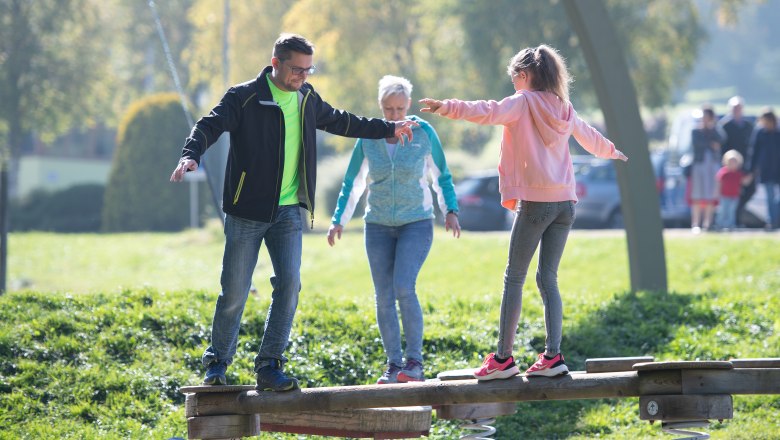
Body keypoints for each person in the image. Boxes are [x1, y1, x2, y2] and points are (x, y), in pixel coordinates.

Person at [169, 34, 417, 392]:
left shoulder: (307, 98)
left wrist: (388, 128)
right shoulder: (245, 96)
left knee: (289, 286)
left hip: (288, 212)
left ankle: (269, 365)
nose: (303, 75)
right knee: (234, 292)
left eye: (308, 69)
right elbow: (209, 125)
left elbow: (343, 122)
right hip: (246, 211)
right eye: (297, 69)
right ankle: (217, 365)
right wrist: (191, 154)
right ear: (276, 63)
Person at [419, 44, 627, 379]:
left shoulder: (523, 102)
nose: (514, 84)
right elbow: (589, 137)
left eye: (515, 77)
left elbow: (487, 110)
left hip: (536, 202)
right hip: (566, 203)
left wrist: (447, 107)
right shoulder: (563, 107)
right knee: (548, 278)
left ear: (525, 75)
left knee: (513, 277)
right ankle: (553, 357)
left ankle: (502, 359)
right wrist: (613, 152)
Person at [327, 75, 461, 384]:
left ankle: (414, 362)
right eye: (388, 109)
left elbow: (442, 175)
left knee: (404, 286)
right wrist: (338, 220)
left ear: (409, 106)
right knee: (383, 296)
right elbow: (354, 183)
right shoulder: (369, 136)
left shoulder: (424, 133)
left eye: (400, 109)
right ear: (380, 107)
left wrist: (450, 210)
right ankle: (393, 364)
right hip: (377, 226)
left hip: (416, 222)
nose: (394, 115)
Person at [719, 96, 755, 226]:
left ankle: (737, 216)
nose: (737, 110)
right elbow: (722, 147)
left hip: (744, 165)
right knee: (728, 194)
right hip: (730, 165)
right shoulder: (725, 126)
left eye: (739, 108)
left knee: (749, 189)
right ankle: (728, 221)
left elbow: (752, 146)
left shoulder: (748, 126)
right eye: (734, 108)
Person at [689, 106, 723, 233]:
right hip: (699, 164)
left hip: (712, 165)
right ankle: (695, 223)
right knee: (697, 195)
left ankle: (707, 223)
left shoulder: (715, 130)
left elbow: (722, 139)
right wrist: (711, 142)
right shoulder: (695, 131)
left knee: (710, 195)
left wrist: (712, 128)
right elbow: (698, 143)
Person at [747, 109, 780, 230]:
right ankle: (772, 221)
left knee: (776, 199)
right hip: (766, 170)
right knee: (770, 197)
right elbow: (754, 152)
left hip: (778, 169)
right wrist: (751, 170)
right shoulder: (760, 132)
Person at [715, 150, 748, 231]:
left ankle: (730, 225)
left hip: (734, 196)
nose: (732, 164)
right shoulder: (723, 172)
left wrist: (753, 174)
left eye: (734, 162)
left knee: (731, 211)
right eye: (731, 161)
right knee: (722, 211)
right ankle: (720, 224)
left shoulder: (739, 173)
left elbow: (744, 182)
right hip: (724, 195)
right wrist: (716, 193)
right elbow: (718, 182)